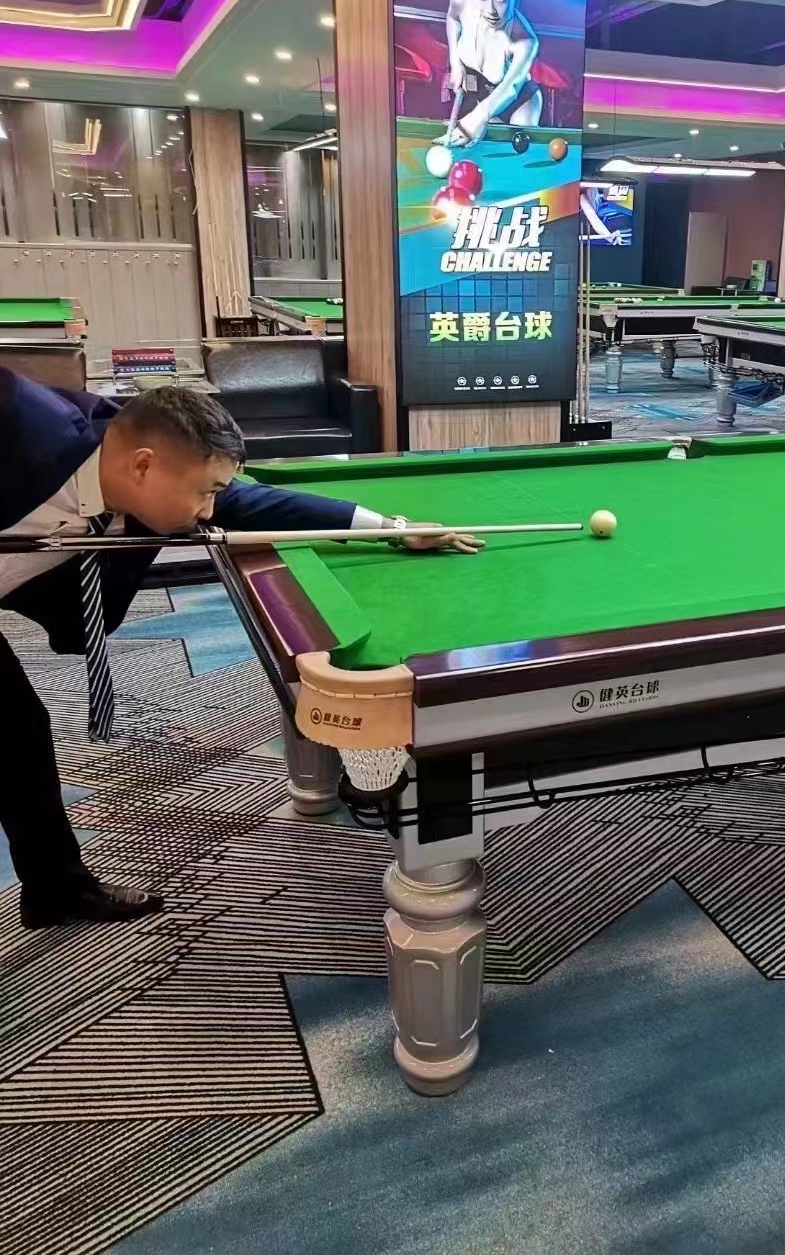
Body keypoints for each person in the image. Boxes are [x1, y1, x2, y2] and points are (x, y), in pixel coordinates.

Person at [0, 376, 481, 930]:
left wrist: (391, 529)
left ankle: (55, 889)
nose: (209, 511)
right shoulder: (19, 425)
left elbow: (251, 502)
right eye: (204, 492)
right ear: (142, 466)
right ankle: (55, 887)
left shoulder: (152, 465)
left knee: (17, 730)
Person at [438, 0, 542, 149]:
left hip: (520, 100)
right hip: (481, 94)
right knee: (483, 141)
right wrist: (455, 63)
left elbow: (511, 88)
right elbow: (452, 20)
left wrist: (479, 116)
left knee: (517, 145)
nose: (491, 10)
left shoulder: (525, 41)